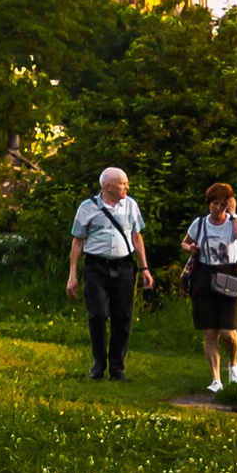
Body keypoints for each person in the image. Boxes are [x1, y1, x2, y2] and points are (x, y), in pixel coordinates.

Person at [65, 163, 152, 380]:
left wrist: (145, 268)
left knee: (123, 317)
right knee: (98, 315)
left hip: (124, 266)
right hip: (96, 267)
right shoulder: (87, 207)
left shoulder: (131, 205)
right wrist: (72, 275)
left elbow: (136, 237)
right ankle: (98, 363)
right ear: (108, 186)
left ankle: (117, 367)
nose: (127, 188)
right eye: (123, 184)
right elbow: (77, 241)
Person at [181, 180, 237, 393]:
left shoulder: (233, 223)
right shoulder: (200, 223)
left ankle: (233, 363)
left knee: (228, 332)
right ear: (208, 203)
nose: (218, 208)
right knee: (210, 331)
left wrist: (234, 214)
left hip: (229, 276)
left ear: (228, 205)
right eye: (215, 204)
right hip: (204, 276)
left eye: (222, 204)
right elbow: (185, 242)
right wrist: (190, 248)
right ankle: (216, 379)